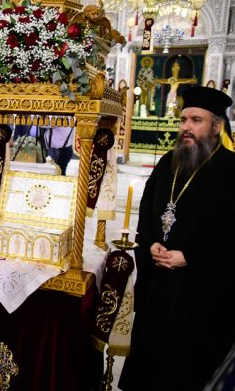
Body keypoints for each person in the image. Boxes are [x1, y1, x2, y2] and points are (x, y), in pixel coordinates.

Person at [119, 86, 235, 391]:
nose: (186, 127)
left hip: (199, 293)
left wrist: (191, 256)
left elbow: (231, 233)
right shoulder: (168, 162)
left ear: (216, 126)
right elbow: (147, 211)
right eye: (183, 120)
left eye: (196, 120)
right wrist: (150, 243)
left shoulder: (230, 169)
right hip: (158, 283)